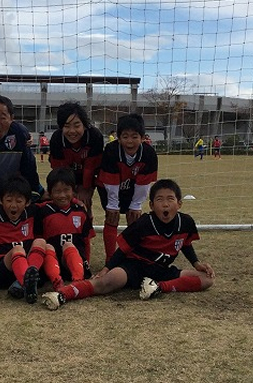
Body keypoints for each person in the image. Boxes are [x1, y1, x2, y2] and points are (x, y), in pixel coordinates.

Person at [41, 179, 215, 310]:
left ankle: (158, 287)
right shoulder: (143, 223)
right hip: (133, 267)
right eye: (160, 199)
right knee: (105, 283)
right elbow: (122, 251)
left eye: (170, 199)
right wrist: (106, 269)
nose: (165, 204)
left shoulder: (186, 222)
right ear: (152, 205)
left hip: (161, 271)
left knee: (207, 279)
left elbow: (185, 244)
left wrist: (197, 264)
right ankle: (63, 294)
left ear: (179, 203)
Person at [97, 113, 158, 264]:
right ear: (118, 138)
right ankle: (110, 259)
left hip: (133, 188)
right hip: (110, 188)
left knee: (134, 216)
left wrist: (136, 205)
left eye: (134, 136)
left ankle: (133, 256)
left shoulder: (149, 153)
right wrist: (113, 204)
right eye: (125, 136)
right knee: (112, 215)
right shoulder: (111, 150)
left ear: (142, 138)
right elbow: (110, 181)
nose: (130, 141)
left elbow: (144, 184)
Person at [0, 174, 47, 304]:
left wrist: (77, 202)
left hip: (26, 264)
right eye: (9, 200)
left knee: (41, 242)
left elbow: (57, 203)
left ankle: (23, 283)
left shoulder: (32, 213)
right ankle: (27, 284)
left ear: (27, 202)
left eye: (19, 201)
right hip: (1, 272)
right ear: (0, 200)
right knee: (17, 249)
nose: (13, 205)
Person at [0, 95, 45, 212]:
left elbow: (28, 166)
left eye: (3, 118)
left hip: (10, 193)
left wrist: (37, 190)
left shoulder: (20, 133)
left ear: (12, 118)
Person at [35, 168, 94, 289]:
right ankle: (56, 281)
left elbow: (86, 241)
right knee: (48, 247)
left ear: (73, 191)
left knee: (68, 245)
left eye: (66, 190)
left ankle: (78, 280)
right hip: (51, 262)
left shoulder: (80, 211)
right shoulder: (43, 211)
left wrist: (86, 262)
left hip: (74, 262)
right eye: (57, 191)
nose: (62, 195)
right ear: (50, 193)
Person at [49, 101, 104, 213]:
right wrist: (68, 191)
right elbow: (59, 170)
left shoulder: (94, 136)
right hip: (67, 175)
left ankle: (87, 221)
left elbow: (91, 167)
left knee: (84, 203)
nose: (72, 131)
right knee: (64, 201)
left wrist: (86, 188)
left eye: (77, 125)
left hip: (88, 175)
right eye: (67, 126)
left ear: (84, 125)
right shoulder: (57, 139)